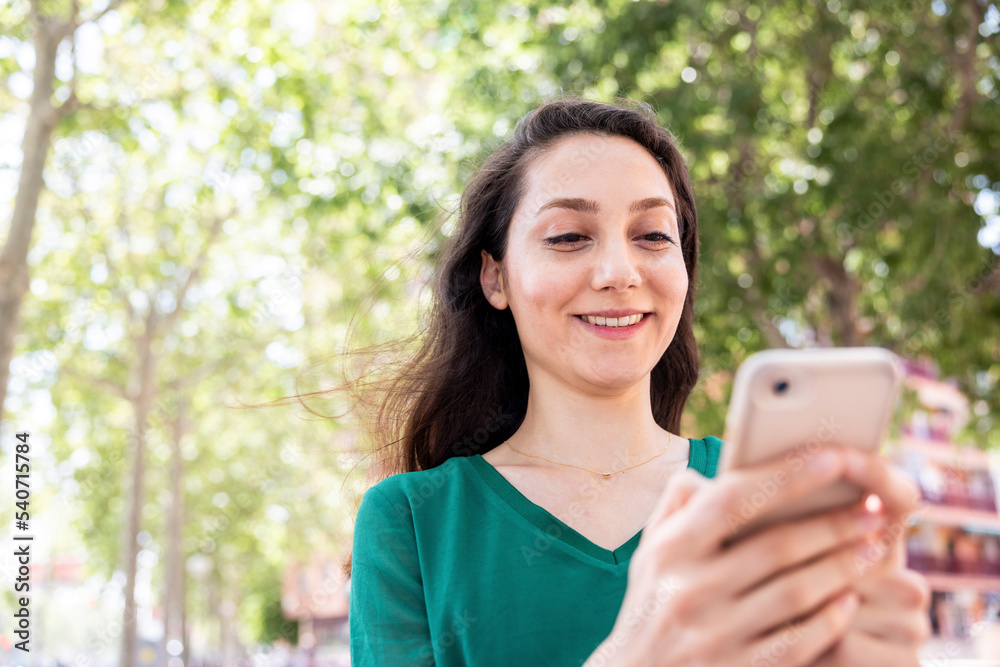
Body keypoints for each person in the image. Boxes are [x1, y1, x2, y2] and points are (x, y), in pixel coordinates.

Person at [346, 95, 931, 666]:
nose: (619, 273)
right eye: (568, 237)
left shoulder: (765, 494)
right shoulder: (411, 522)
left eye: (652, 236)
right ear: (495, 278)